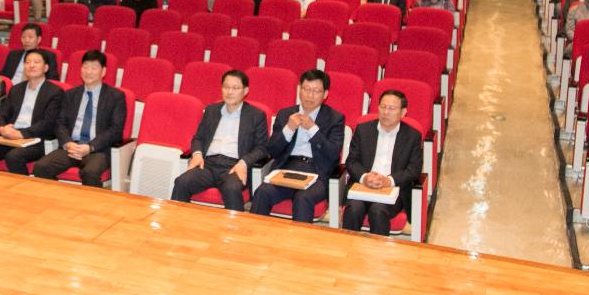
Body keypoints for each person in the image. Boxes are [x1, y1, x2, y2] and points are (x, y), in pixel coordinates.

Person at [248, 69, 345, 223]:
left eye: (316, 91)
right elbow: (272, 149)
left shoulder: (335, 118)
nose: (309, 95)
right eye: (306, 89)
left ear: (325, 94)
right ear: (300, 90)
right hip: (287, 168)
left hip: (317, 171)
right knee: (262, 192)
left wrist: (313, 130)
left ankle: (299, 245)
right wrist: (289, 129)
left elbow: (333, 153)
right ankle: (253, 239)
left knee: (303, 198)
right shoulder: (285, 114)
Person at [169, 70, 269, 211]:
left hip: (234, 167)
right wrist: (197, 154)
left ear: (245, 91)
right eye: (226, 87)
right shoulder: (211, 110)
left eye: (235, 88)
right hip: (208, 165)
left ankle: (233, 231)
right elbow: (198, 138)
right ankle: (176, 224)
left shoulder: (256, 115)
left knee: (231, 188)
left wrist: (244, 162)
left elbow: (262, 148)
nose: (229, 92)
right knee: (181, 182)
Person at [33, 50, 127, 186]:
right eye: (85, 66)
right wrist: (68, 143)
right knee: (41, 167)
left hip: (97, 150)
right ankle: (58, 200)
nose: (88, 71)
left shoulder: (116, 96)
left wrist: (90, 147)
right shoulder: (71, 94)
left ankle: (91, 206)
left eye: (94, 68)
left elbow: (115, 130)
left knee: (89, 172)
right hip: (72, 147)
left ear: (103, 71)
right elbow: (60, 123)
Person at [341, 89, 424, 236]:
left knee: (378, 210)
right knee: (354, 209)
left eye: (391, 108)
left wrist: (389, 181)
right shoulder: (363, 130)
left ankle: (378, 255)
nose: (386, 112)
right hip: (363, 186)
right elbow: (351, 161)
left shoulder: (412, 136)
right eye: (383, 107)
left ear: (403, 112)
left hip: (392, 189)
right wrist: (365, 177)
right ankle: (349, 252)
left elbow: (414, 169)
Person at [0, 49, 65, 174]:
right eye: (28, 62)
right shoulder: (16, 89)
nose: (31, 65)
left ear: (45, 67)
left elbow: (48, 123)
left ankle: (24, 190)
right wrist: (2, 128)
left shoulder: (55, 92)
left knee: (14, 157)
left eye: (36, 62)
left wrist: (22, 134)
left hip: (36, 139)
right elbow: (1, 114)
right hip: (10, 136)